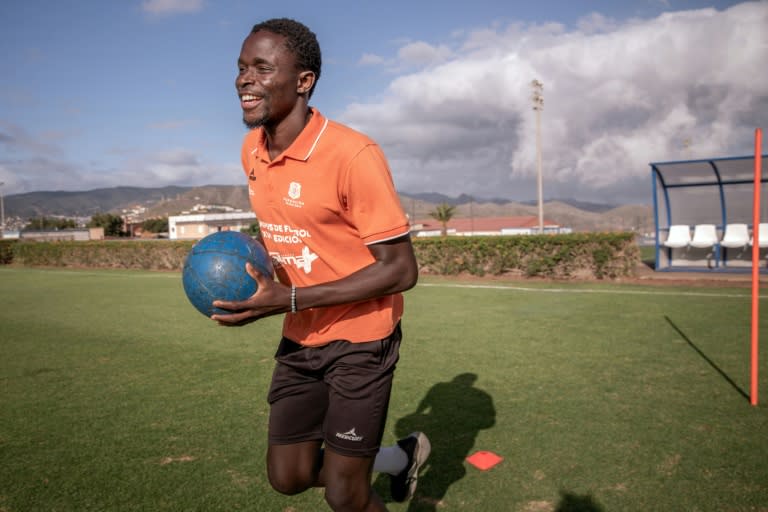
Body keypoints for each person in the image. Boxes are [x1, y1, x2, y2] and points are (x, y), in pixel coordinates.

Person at [211, 17, 430, 512]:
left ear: (303, 80)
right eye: (241, 68)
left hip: (361, 341)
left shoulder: (353, 154)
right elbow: (295, 233)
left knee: (345, 494)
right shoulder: (253, 149)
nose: (245, 79)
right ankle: (402, 457)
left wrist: (286, 298)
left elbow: (400, 270)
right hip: (300, 335)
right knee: (287, 477)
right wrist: (246, 269)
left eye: (262, 68)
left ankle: (372, 471)